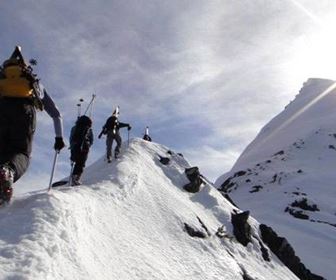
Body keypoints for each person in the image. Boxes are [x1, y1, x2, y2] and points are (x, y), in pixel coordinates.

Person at [0, 46, 65, 204]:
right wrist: (59, 138)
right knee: (22, 153)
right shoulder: (33, 81)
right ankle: (8, 172)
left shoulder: (3, 77)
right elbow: (56, 113)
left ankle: (3, 177)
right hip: (24, 113)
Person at [69, 115, 93, 185]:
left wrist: (72, 146)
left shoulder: (74, 128)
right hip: (84, 148)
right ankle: (76, 178)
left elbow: (71, 138)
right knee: (81, 163)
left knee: (76, 161)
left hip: (75, 147)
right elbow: (91, 140)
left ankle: (73, 177)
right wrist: (88, 145)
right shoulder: (89, 129)